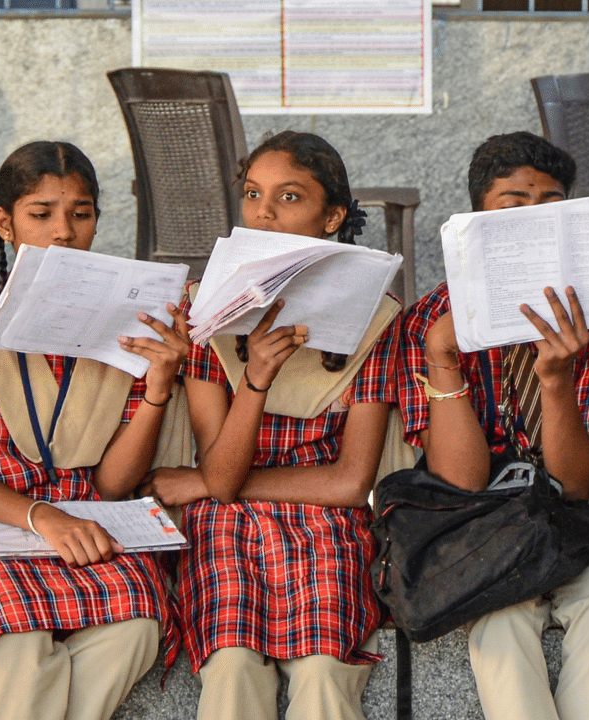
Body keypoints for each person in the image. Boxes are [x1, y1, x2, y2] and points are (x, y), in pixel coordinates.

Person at [0, 141, 189, 720]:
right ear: (6, 223)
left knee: (136, 624)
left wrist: (157, 387)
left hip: (90, 512)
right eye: (41, 214)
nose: (64, 232)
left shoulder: (135, 314)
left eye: (81, 213)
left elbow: (112, 483)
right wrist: (42, 517)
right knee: (18, 639)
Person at [144, 130, 400, 720]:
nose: (263, 212)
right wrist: (255, 380)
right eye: (253, 194)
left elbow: (348, 484)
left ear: (332, 217)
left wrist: (201, 482)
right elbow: (224, 477)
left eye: (289, 197)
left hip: (326, 528)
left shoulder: (378, 320)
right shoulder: (206, 307)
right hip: (225, 525)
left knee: (324, 669)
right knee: (231, 666)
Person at [395, 130, 589, 720]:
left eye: (550, 206)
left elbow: (576, 484)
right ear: (477, 221)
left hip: (575, 514)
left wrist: (556, 380)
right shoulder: (430, 320)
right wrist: (442, 359)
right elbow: (459, 481)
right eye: (513, 206)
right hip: (477, 521)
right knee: (498, 617)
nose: (533, 221)